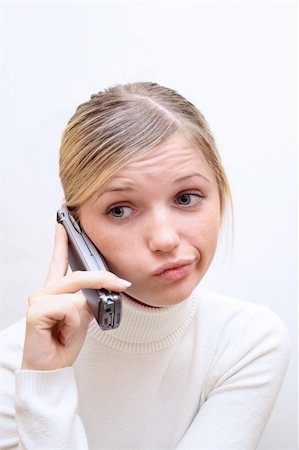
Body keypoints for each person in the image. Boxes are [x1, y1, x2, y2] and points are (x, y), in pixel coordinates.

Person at [0, 82, 290, 450]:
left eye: (186, 198)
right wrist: (44, 383)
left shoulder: (247, 340)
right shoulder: (16, 363)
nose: (165, 239)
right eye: (120, 209)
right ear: (74, 231)